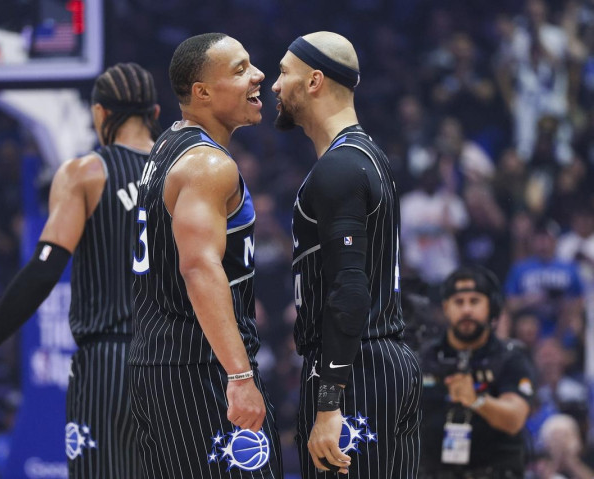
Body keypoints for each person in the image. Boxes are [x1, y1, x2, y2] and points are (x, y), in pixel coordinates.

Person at [0, 62, 162, 479]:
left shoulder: (86, 173)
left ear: (99, 114)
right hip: (176, 362)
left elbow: (43, 271)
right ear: (156, 113)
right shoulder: (191, 171)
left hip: (108, 362)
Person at [128, 32, 282, 478]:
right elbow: (198, 269)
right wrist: (239, 375)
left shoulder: (166, 147)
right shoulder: (209, 166)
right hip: (200, 369)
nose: (258, 76)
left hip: (158, 365)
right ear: (202, 92)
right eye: (240, 70)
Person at [271, 31, 422, 478]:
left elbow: (351, 290)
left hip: (356, 373)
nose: (275, 85)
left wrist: (329, 399)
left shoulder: (339, 167)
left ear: (314, 81)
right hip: (381, 361)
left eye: (283, 72)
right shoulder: (368, 156)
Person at [418, 265, 536, 478]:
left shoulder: (510, 357)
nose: (466, 310)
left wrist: (476, 400)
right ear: (446, 308)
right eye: (459, 302)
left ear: (491, 307)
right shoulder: (423, 358)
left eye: (474, 301)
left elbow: (514, 418)